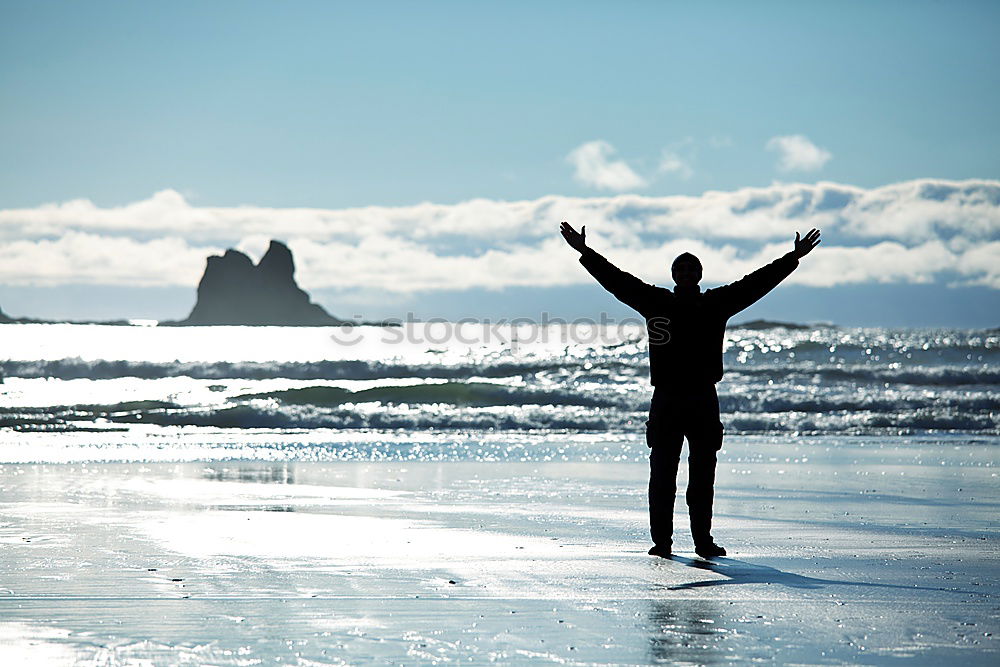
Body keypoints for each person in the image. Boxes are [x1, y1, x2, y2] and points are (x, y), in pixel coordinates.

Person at [559, 222, 821, 559]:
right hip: (666, 398)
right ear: (673, 275)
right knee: (662, 475)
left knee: (703, 475)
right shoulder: (655, 302)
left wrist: (792, 258)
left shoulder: (715, 303)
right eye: (679, 268)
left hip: (702, 398)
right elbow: (617, 280)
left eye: (690, 267)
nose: (684, 272)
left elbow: (755, 284)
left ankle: (703, 541)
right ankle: (662, 542)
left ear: (698, 274)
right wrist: (585, 252)